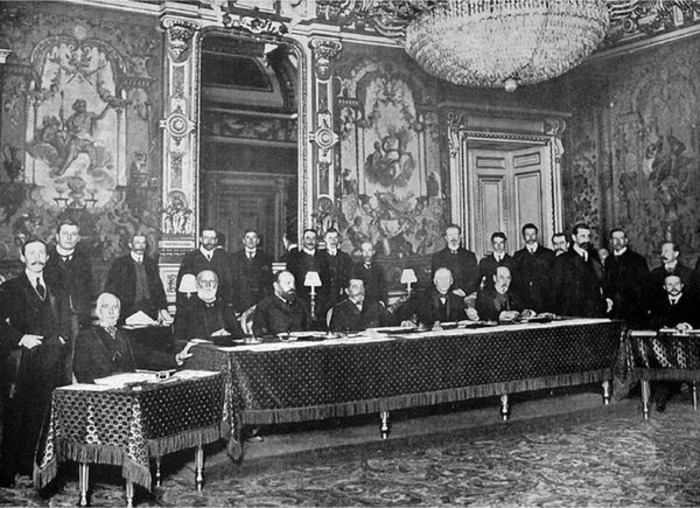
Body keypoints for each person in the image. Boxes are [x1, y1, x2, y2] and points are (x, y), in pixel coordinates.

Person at [0, 239, 70, 487]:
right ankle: (6, 472)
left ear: (47, 258)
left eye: (41, 252)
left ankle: (30, 467)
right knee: (15, 415)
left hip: (50, 360)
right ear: (22, 257)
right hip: (20, 361)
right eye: (31, 252)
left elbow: (67, 321)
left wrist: (61, 339)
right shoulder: (9, 288)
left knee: (40, 415)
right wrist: (21, 338)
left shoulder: (57, 288)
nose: (37, 256)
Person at [74, 293, 193, 384]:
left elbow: (147, 354)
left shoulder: (124, 335)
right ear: (98, 311)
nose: (111, 311)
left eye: (115, 307)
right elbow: (80, 371)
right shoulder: (87, 336)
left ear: (119, 313)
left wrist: (176, 358)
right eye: (106, 307)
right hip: (101, 395)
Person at [44, 219, 94, 381]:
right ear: (57, 236)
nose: (69, 237)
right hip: (54, 320)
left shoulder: (84, 261)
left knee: (78, 359)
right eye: (65, 233)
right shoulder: (47, 259)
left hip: (79, 319)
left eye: (73, 234)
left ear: (78, 238)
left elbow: (88, 291)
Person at [648, 274, 699, 412]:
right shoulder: (658, 303)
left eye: (676, 284)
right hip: (665, 349)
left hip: (689, 349)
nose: (673, 287)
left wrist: (688, 325)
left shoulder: (693, 301)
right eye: (669, 285)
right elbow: (651, 320)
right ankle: (661, 398)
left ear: (682, 285)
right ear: (664, 287)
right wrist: (662, 326)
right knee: (658, 365)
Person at [104, 233, 171, 324]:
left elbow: (158, 289)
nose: (141, 246)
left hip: (150, 311)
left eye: (143, 243)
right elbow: (111, 288)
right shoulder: (120, 263)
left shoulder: (151, 264)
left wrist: (163, 308)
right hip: (127, 311)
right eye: (137, 243)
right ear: (130, 244)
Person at [549, 223, 606, 317]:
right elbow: (555, 290)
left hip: (593, 314)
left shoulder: (594, 258)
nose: (586, 240)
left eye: (588, 236)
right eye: (582, 236)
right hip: (571, 314)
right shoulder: (562, 259)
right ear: (574, 237)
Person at [174, 270, 244, 341]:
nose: (208, 285)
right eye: (204, 282)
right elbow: (180, 338)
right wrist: (212, 337)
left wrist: (225, 336)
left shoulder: (225, 307)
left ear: (216, 285)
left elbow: (238, 334)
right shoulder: (186, 309)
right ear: (197, 285)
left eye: (212, 281)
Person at [175, 228, 234, 309]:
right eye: (206, 238)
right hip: (196, 307)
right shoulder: (190, 258)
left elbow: (229, 283)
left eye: (212, 238)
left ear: (216, 241)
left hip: (219, 307)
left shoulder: (224, 258)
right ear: (200, 239)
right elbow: (182, 286)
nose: (209, 241)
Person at [603, 228, 650, 328]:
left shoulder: (637, 260)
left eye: (621, 238)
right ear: (610, 241)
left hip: (634, 312)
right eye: (615, 238)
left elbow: (645, 286)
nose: (618, 241)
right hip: (614, 312)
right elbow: (606, 283)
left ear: (626, 240)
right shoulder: (608, 260)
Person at [396, 267, 467, 327]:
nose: (444, 282)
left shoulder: (458, 300)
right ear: (435, 281)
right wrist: (406, 322)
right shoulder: (420, 297)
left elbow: (464, 321)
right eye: (440, 279)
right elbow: (400, 314)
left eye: (447, 278)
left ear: (451, 281)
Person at [252, 270, 312, 336]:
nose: (292, 286)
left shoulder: (302, 304)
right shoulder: (264, 305)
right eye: (288, 283)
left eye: (293, 283)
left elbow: (309, 328)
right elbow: (259, 331)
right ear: (276, 286)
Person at [511, 223, 555, 312]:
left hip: (545, 300)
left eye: (533, 234)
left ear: (537, 235)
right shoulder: (518, 256)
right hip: (525, 301)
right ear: (523, 236)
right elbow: (516, 281)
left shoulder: (548, 254)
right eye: (527, 234)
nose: (530, 237)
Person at [229, 229, 274, 314]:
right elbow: (231, 282)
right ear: (243, 241)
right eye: (248, 237)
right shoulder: (234, 258)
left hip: (259, 302)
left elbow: (268, 283)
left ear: (258, 241)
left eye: (253, 237)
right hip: (240, 302)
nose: (251, 240)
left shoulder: (266, 258)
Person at [285, 228, 330, 313]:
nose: (311, 241)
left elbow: (327, 282)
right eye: (308, 238)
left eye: (313, 238)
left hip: (320, 303)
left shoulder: (324, 258)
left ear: (317, 241)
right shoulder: (294, 258)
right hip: (300, 301)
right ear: (302, 240)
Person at [430, 224, 479, 298]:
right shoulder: (438, 257)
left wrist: (464, 291)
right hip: (445, 296)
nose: (453, 238)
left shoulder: (470, 256)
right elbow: (435, 280)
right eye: (450, 235)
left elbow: (474, 278)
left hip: (466, 296)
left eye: (455, 235)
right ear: (446, 238)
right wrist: (450, 293)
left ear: (460, 237)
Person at [320, 228, 354, 313]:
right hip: (323, 298)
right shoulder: (319, 256)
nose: (333, 241)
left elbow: (351, 276)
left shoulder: (345, 257)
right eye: (330, 238)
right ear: (325, 239)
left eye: (335, 238)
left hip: (340, 297)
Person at [352, 240, 388, 305]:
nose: (367, 253)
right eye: (364, 251)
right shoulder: (355, 269)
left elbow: (383, 288)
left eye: (369, 250)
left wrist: (382, 302)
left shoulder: (379, 269)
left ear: (373, 252)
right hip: (362, 304)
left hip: (376, 304)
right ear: (361, 252)